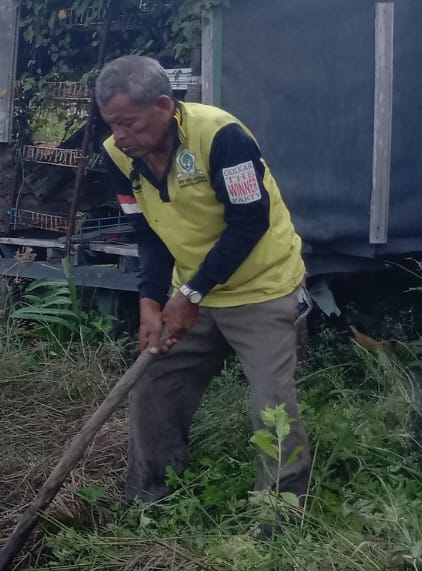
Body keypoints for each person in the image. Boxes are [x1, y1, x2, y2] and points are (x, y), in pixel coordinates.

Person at [97, 55, 311, 502]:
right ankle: (152, 501)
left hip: (263, 288)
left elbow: (249, 222)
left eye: (129, 123)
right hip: (192, 290)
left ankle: (279, 519)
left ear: (163, 105)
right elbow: (146, 232)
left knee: (273, 408)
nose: (120, 135)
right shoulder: (118, 156)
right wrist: (150, 301)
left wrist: (190, 294)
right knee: (153, 388)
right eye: (112, 124)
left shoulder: (222, 137)